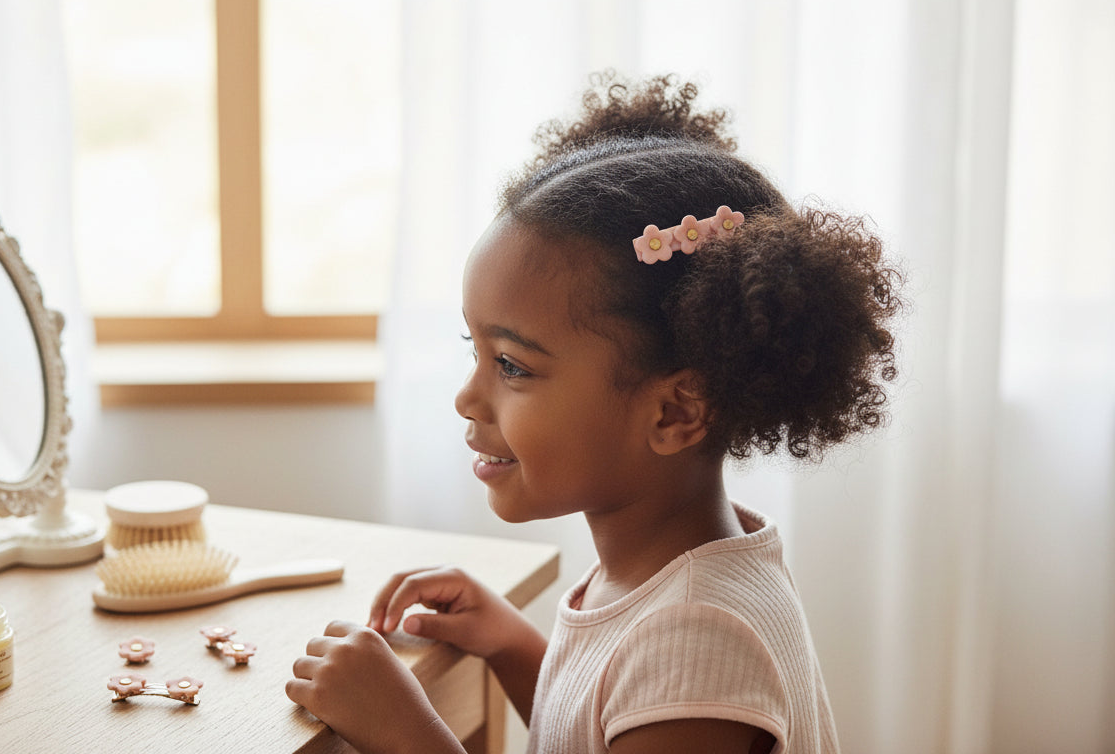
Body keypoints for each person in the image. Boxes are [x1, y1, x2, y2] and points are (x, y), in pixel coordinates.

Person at [285, 73, 903, 754]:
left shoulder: (698, 641)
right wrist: (514, 645)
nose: (467, 397)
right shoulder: (672, 576)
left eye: (512, 366)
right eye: (477, 349)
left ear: (674, 411)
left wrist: (405, 734)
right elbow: (601, 725)